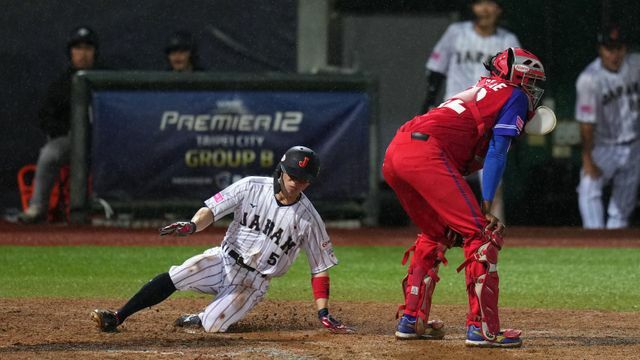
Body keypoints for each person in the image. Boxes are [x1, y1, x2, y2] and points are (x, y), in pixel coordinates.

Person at [91, 146, 353, 334]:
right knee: (179, 274)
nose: (296, 183)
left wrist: (323, 312)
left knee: (213, 327)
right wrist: (193, 225)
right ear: (281, 171)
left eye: (304, 180)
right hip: (223, 259)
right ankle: (117, 316)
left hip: (254, 282)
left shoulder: (309, 219)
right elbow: (212, 211)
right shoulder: (251, 186)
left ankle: (203, 317)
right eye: (292, 176)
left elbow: (320, 268)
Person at [384, 47, 546, 347]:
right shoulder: (515, 95)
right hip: (425, 153)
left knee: (435, 234)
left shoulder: (481, 89)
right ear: (517, 76)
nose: (534, 91)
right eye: (532, 82)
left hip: (396, 150)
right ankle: (483, 328)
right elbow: (498, 150)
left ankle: (411, 318)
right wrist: (486, 204)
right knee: (482, 234)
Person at [421, 0, 521, 222]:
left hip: (490, 117)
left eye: (491, 4)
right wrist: (427, 106)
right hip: (454, 115)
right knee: (447, 178)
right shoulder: (455, 33)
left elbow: (517, 84)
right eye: (479, 3)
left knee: (493, 182)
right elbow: (435, 73)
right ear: (472, 8)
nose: (484, 9)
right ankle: (442, 231)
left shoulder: (508, 41)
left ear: (500, 9)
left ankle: (493, 237)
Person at [18, 26, 99, 224]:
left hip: (104, 143)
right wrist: (65, 132)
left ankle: (124, 209)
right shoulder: (62, 83)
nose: (83, 53)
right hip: (70, 143)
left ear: (95, 52)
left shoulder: (106, 78)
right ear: (71, 52)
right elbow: (45, 117)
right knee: (49, 154)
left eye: (88, 48)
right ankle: (37, 207)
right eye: (78, 48)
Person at [576, 25, 640, 229]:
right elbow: (586, 124)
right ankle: (593, 240)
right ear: (600, 49)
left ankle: (615, 246)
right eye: (609, 48)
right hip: (604, 146)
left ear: (625, 49)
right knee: (588, 189)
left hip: (634, 145)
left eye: (618, 48)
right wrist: (587, 158)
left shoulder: (636, 64)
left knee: (623, 206)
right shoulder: (589, 79)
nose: (614, 54)